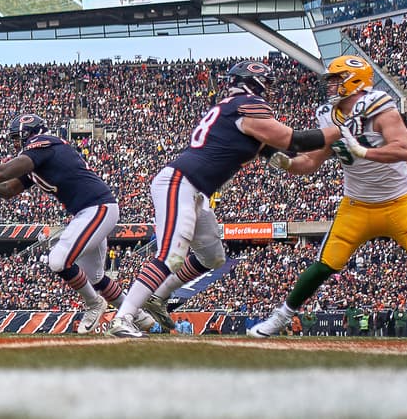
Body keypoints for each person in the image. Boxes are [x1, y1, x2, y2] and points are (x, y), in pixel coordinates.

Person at [247, 55, 407, 340]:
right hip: (356, 205)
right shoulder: (327, 115)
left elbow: (405, 148)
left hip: (398, 201)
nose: (330, 86)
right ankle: (280, 318)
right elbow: (311, 162)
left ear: (354, 80)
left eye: (336, 79)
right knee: (324, 265)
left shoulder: (379, 107)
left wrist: (365, 152)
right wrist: (286, 163)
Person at [107, 60, 341, 337]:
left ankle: (158, 296)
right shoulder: (247, 106)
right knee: (170, 254)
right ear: (254, 82)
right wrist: (343, 128)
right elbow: (296, 140)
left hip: (195, 190)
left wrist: (326, 153)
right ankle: (123, 318)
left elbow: (291, 158)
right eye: (267, 82)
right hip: (180, 182)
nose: (270, 91)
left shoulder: (233, 110)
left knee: (212, 256)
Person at [0, 114, 161, 334]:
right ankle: (138, 316)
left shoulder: (43, 143)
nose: (15, 143)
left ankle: (94, 304)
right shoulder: (38, 158)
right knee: (96, 277)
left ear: (30, 133)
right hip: (90, 211)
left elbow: (1, 172)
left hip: (97, 208)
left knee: (58, 260)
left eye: (17, 137)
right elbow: (8, 190)